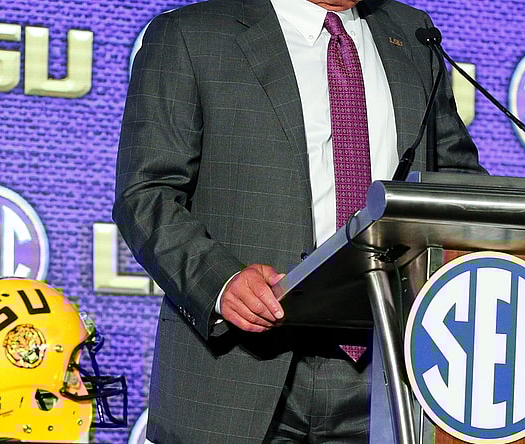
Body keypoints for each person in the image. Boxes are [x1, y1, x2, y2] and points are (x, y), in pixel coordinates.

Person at [113, 0, 486, 442]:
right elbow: (147, 193)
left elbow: (456, 183)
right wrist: (220, 282)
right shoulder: (191, 35)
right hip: (240, 365)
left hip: (388, 368)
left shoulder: (411, 32)